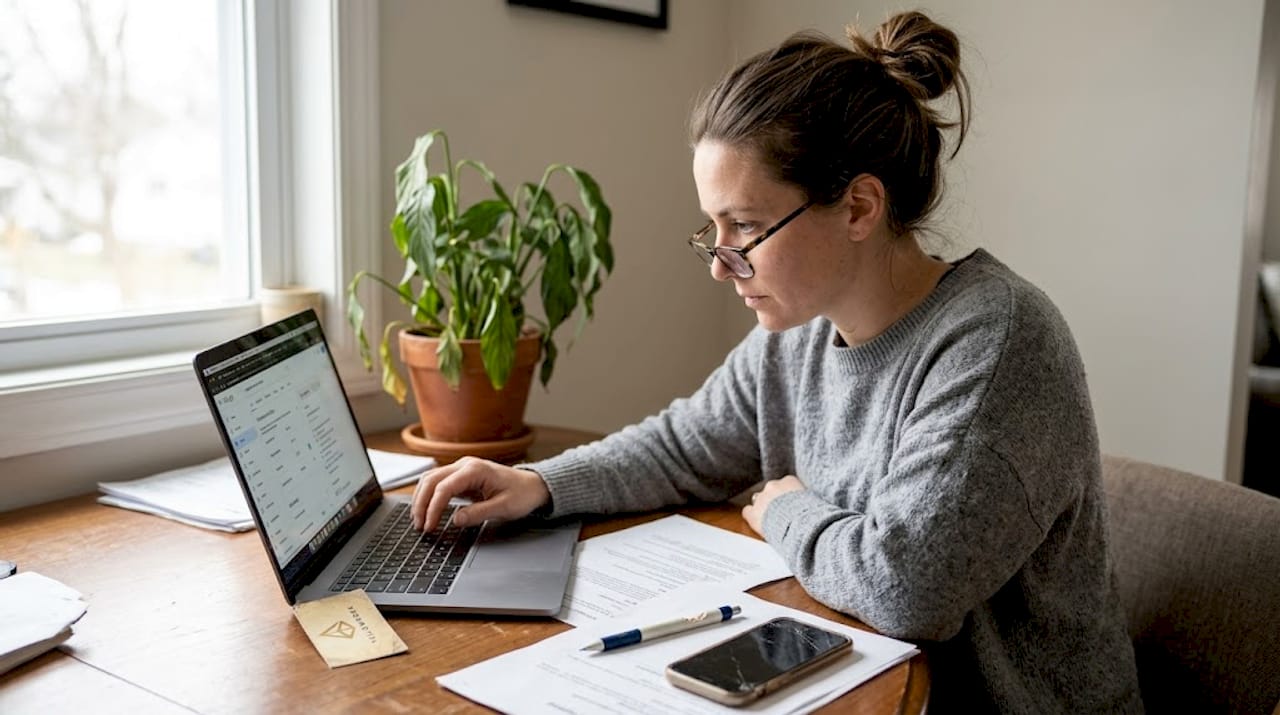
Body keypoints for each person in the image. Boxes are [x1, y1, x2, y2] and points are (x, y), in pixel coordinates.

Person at [410, 9, 1143, 713]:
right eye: (714, 228)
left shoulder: (997, 342)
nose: (722, 265)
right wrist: (539, 482)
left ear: (859, 208)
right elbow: (682, 446)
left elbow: (909, 587)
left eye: (748, 227)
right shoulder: (797, 332)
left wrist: (786, 509)